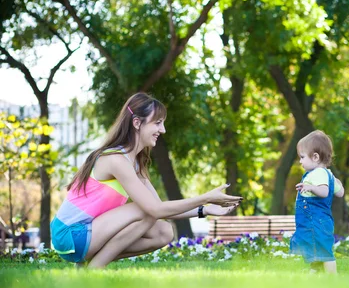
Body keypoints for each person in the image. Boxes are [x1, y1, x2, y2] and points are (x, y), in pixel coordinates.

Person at [50, 93, 242, 268]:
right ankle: (93, 269)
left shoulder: (135, 164)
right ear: (136, 123)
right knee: (147, 210)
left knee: (164, 232)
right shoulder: (116, 160)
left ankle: (91, 264)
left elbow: (159, 208)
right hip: (69, 235)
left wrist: (204, 210)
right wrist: (205, 197)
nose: (163, 130)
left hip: (88, 233)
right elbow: (155, 209)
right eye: (157, 123)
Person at [291, 130, 345, 274]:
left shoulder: (319, 173)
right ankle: (314, 276)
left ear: (315, 157)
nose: (300, 161)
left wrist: (310, 187)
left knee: (323, 251)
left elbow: (324, 192)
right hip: (319, 221)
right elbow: (340, 193)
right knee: (316, 249)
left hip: (316, 221)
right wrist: (335, 180)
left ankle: (332, 278)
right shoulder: (327, 174)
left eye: (302, 157)